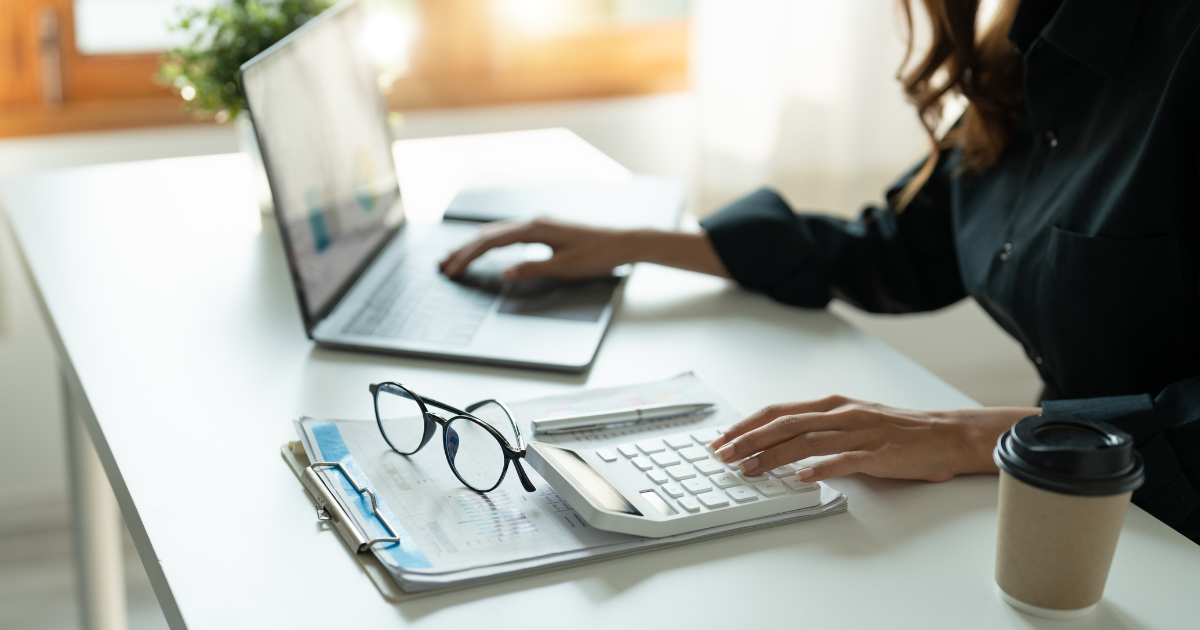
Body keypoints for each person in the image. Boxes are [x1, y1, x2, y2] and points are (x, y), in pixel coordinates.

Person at [441, 0, 1200, 543]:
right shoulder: (1030, 40)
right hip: (1070, 514)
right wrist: (642, 243)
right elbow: (903, 247)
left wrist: (976, 435)